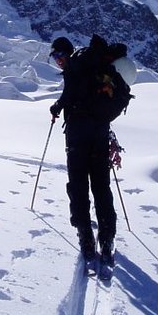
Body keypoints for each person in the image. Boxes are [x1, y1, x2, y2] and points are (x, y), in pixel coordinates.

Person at [49, 35, 118, 267]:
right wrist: (60, 104)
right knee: (101, 186)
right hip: (99, 134)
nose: (59, 60)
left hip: (78, 137)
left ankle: (86, 236)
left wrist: (57, 106)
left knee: (78, 186)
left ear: (67, 53)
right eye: (55, 57)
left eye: (60, 55)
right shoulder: (91, 67)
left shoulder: (74, 68)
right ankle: (107, 238)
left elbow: (70, 94)